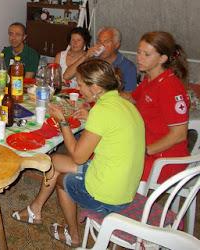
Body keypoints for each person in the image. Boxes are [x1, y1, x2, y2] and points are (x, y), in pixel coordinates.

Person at [12, 59, 145, 247]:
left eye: (81, 84)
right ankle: (35, 210)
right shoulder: (125, 104)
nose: (79, 89)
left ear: (96, 87)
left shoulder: (103, 110)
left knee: (61, 180)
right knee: (54, 160)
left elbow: (78, 156)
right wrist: (90, 117)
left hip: (108, 197)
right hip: (124, 184)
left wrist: (62, 121)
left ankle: (73, 235)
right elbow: (112, 129)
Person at [123, 31, 190, 183]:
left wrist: (144, 151)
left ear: (162, 58)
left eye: (146, 54)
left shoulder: (169, 87)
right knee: (101, 152)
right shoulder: (150, 78)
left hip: (165, 160)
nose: (139, 58)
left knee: (110, 164)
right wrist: (102, 91)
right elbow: (130, 99)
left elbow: (179, 134)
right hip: (147, 145)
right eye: (139, 52)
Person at [70, 27, 137, 92]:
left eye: (106, 41)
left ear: (117, 45)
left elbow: (130, 96)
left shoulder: (128, 67)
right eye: (99, 41)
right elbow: (66, 76)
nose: (101, 46)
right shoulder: (93, 60)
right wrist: (86, 56)